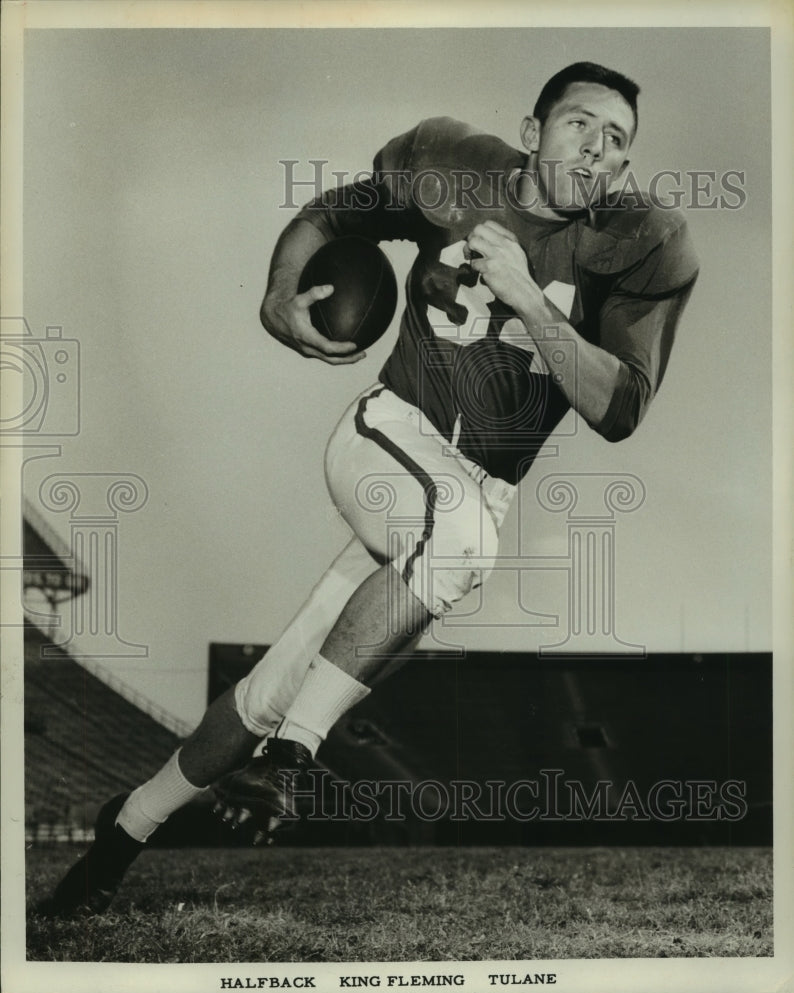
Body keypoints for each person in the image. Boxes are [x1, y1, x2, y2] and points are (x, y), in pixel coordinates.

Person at [45, 61, 698, 917]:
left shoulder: (646, 241)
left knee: (269, 690)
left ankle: (118, 836)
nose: (598, 150)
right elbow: (333, 215)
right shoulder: (451, 164)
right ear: (532, 130)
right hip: (390, 435)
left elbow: (620, 411)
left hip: (471, 490)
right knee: (460, 547)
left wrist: (533, 302)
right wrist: (282, 289)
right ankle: (294, 762)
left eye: (618, 142)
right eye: (580, 124)